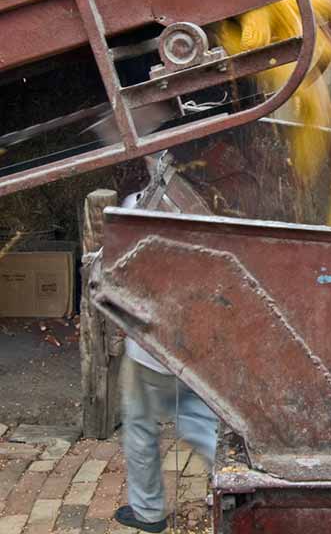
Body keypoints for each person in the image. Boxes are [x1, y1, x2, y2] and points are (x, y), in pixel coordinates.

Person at [114, 192, 219, 533]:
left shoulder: (136, 206)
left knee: (140, 428)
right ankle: (235, 485)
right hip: (197, 347)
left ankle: (148, 512)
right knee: (200, 422)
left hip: (150, 347)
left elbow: (121, 272)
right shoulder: (211, 206)